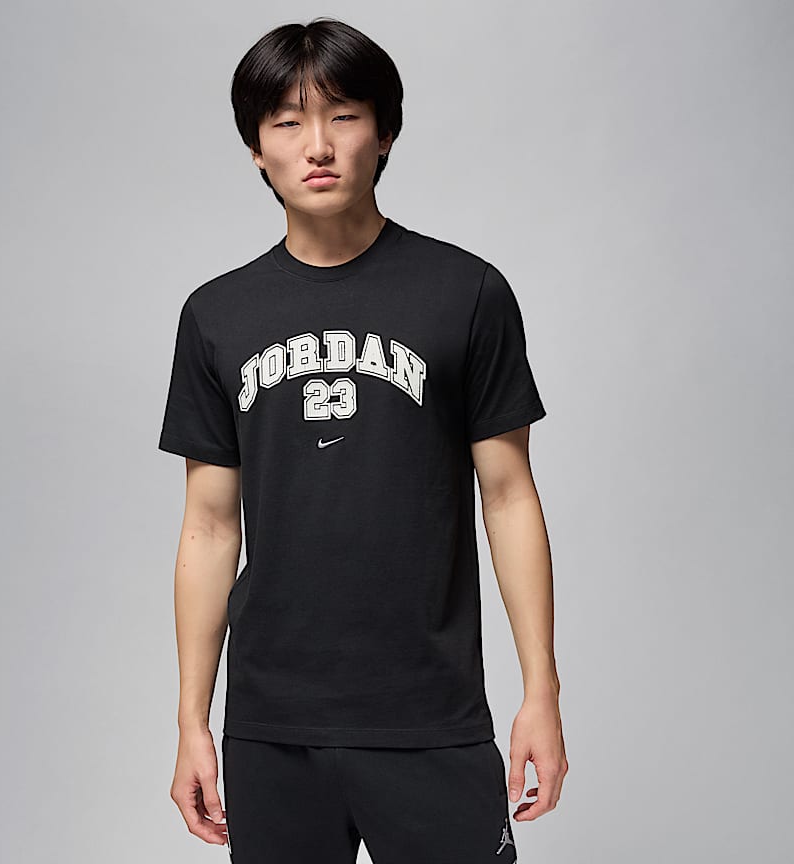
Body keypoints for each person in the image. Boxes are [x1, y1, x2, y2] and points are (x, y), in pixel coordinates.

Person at [158, 16, 567, 864]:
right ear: (255, 148)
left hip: (431, 714)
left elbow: (509, 496)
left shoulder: (467, 292)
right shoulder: (216, 315)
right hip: (272, 725)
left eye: (343, 115)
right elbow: (208, 525)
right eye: (287, 122)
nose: (318, 145)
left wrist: (542, 691)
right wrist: (192, 720)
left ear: (383, 133)